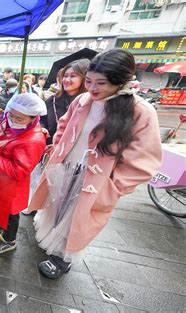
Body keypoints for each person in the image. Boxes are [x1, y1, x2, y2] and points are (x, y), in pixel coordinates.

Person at [28, 49, 162, 279]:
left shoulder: (140, 111)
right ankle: (53, 245)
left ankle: (62, 258)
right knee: (56, 207)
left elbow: (143, 160)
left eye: (101, 83)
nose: (92, 88)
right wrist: (57, 149)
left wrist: (113, 187)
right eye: (89, 81)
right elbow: (64, 125)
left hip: (95, 179)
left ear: (121, 82)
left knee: (77, 218)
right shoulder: (82, 99)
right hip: (66, 166)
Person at [0, 93, 47, 254]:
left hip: (12, 185)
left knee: (11, 212)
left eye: (20, 118)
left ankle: (10, 240)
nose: (13, 120)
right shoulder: (9, 120)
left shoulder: (34, 140)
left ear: (33, 118)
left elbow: (20, 170)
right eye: (12, 115)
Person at [41, 59, 90, 145]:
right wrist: (42, 128)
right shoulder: (52, 100)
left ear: (84, 78)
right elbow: (41, 119)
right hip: (51, 148)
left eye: (72, 76)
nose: (67, 80)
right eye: (65, 76)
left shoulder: (89, 102)